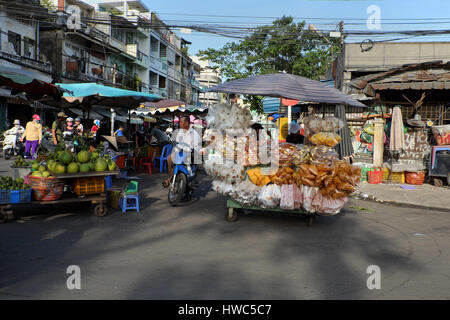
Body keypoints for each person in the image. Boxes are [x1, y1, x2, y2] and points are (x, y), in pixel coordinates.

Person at [162, 116, 202, 188]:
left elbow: (197, 146)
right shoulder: (180, 132)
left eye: (181, 122)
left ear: (187, 123)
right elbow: (177, 143)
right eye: (179, 122)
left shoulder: (194, 133)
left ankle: (169, 180)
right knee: (169, 158)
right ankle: (171, 177)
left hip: (191, 154)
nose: (179, 123)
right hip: (181, 152)